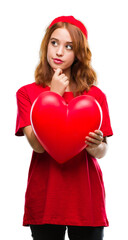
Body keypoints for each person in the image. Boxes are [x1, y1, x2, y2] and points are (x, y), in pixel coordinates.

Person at [15, 16, 113, 240]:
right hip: (46, 200)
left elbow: (103, 150)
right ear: (46, 45)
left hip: (86, 201)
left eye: (69, 47)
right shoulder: (27, 94)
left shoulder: (94, 96)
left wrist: (96, 145)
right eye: (54, 43)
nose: (59, 52)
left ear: (78, 53)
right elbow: (38, 146)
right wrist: (53, 96)